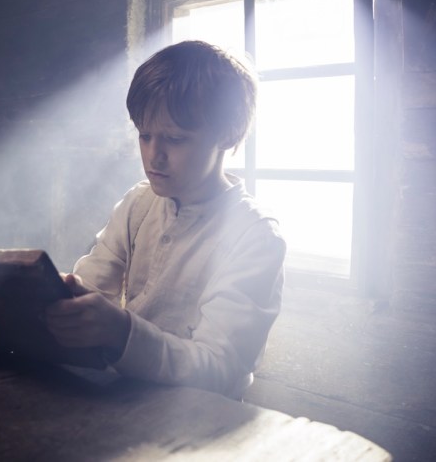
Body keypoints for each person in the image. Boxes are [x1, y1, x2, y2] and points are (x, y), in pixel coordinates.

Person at [45, 40, 285, 399]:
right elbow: (94, 283)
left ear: (229, 135)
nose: (153, 156)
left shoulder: (256, 235)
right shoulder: (139, 202)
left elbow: (221, 367)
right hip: (125, 392)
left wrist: (120, 331)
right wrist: (69, 299)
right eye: (145, 136)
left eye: (174, 138)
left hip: (203, 416)